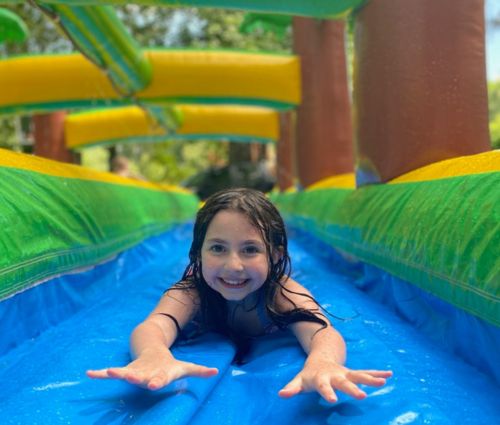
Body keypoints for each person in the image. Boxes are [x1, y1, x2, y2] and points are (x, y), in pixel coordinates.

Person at [87, 188, 392, 403]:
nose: (234, 266)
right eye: (218, 248)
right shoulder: (193, 290)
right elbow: (155, 325)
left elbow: (321, 331)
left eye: (250, 250)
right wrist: (153, 354)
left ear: (274, 255)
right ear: (198, 253)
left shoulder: (281, 293)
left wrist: (323, 363)